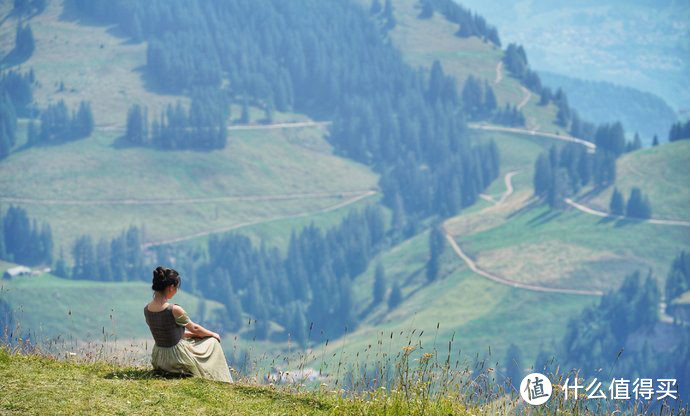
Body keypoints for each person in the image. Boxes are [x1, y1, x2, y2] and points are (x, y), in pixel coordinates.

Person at [144, 266, 233, 383]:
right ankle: (221, 380)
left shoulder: (147, 309)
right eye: (176, 288)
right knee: (213, 342)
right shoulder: (174, 309)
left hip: (159, 360)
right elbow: (195, 328)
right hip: (177, 360)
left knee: (198, 339)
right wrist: (213, 334)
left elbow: (167, 333)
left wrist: (191, 335)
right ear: (171, 287)